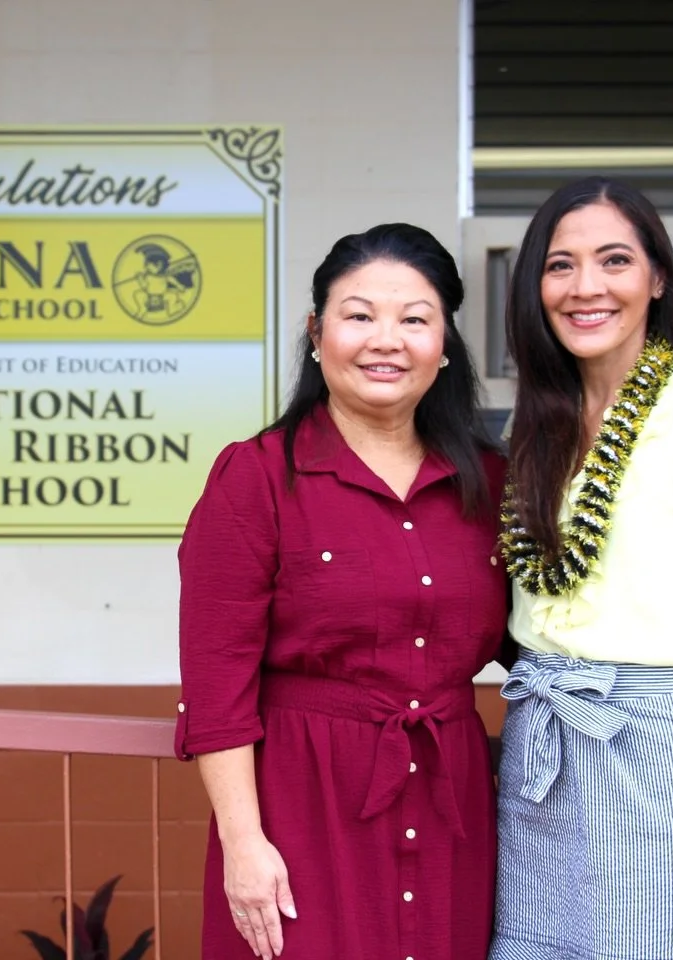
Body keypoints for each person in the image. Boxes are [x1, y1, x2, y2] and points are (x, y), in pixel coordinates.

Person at [175, 223, 509, 960]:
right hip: (302, 808)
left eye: (414, 319)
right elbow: (216, 683)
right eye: (359, 315)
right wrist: (244, 845)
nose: (386, 340)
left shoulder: (491, 483)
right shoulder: (257, 478)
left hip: (450, 799)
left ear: (445, 344)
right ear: (316, 334)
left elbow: (552, 639)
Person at [490, 177, 673, 960]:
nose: (586, 287)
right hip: (539, 741)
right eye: (561, 265)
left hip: (652, 744)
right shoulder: (535, 424)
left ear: (656, 278)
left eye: (614, 261)